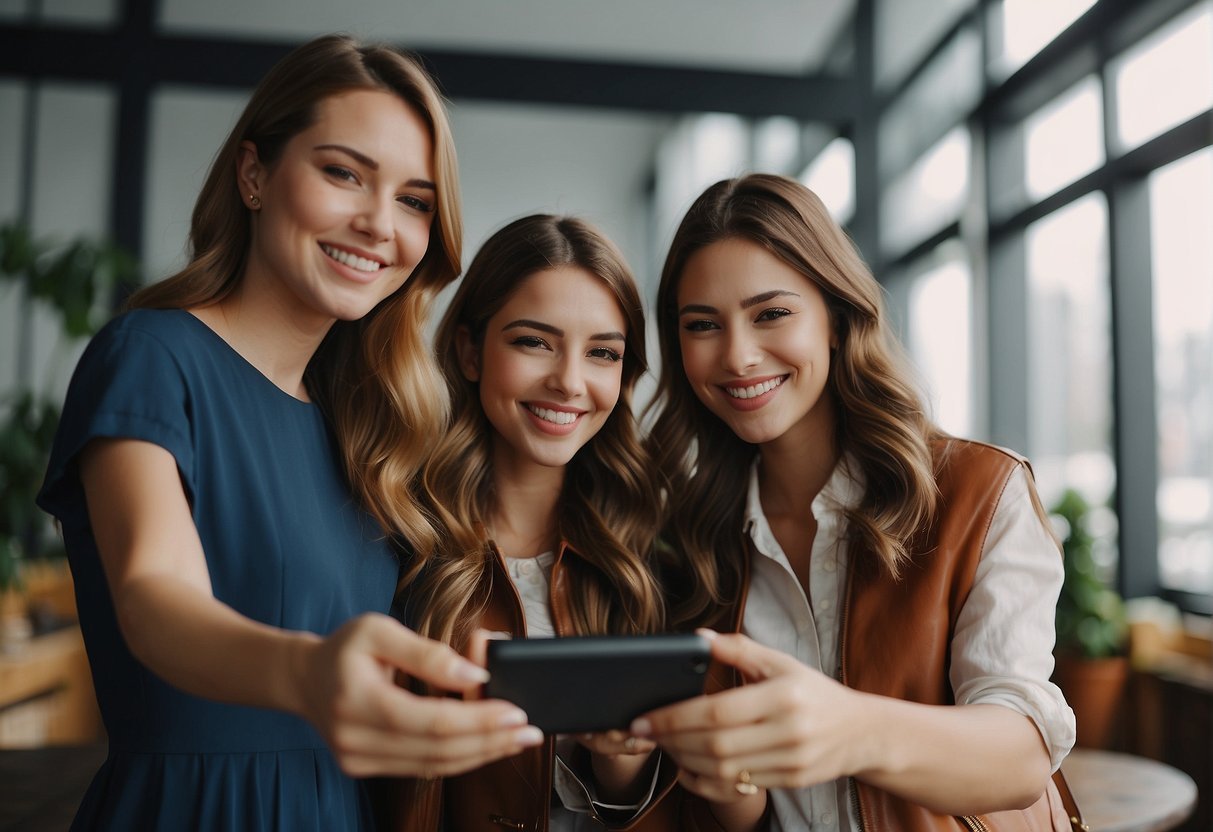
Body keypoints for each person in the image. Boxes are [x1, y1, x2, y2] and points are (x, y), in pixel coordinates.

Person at [36, 35, 543, 832]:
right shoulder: (150, 356)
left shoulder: (371, 424)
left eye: (413, 200)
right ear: (253, 175)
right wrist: (308, 673)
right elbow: (154, 598)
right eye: (344, 173)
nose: (379, 224)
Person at [633, 173, 1079, 829]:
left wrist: (848, 727)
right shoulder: (692, 535)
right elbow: (741, 805)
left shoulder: (976, 493)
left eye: (771, 314)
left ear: (837, 320)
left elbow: (1018, 761)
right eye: (702, 325)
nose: (737, 355)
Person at [378, 214, 765, 831]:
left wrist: (621, 763)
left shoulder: (652, 558)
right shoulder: (395, 539)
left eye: (603, 353)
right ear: (471, 351)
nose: (569, 382)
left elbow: (691, 809)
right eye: (534, 341)